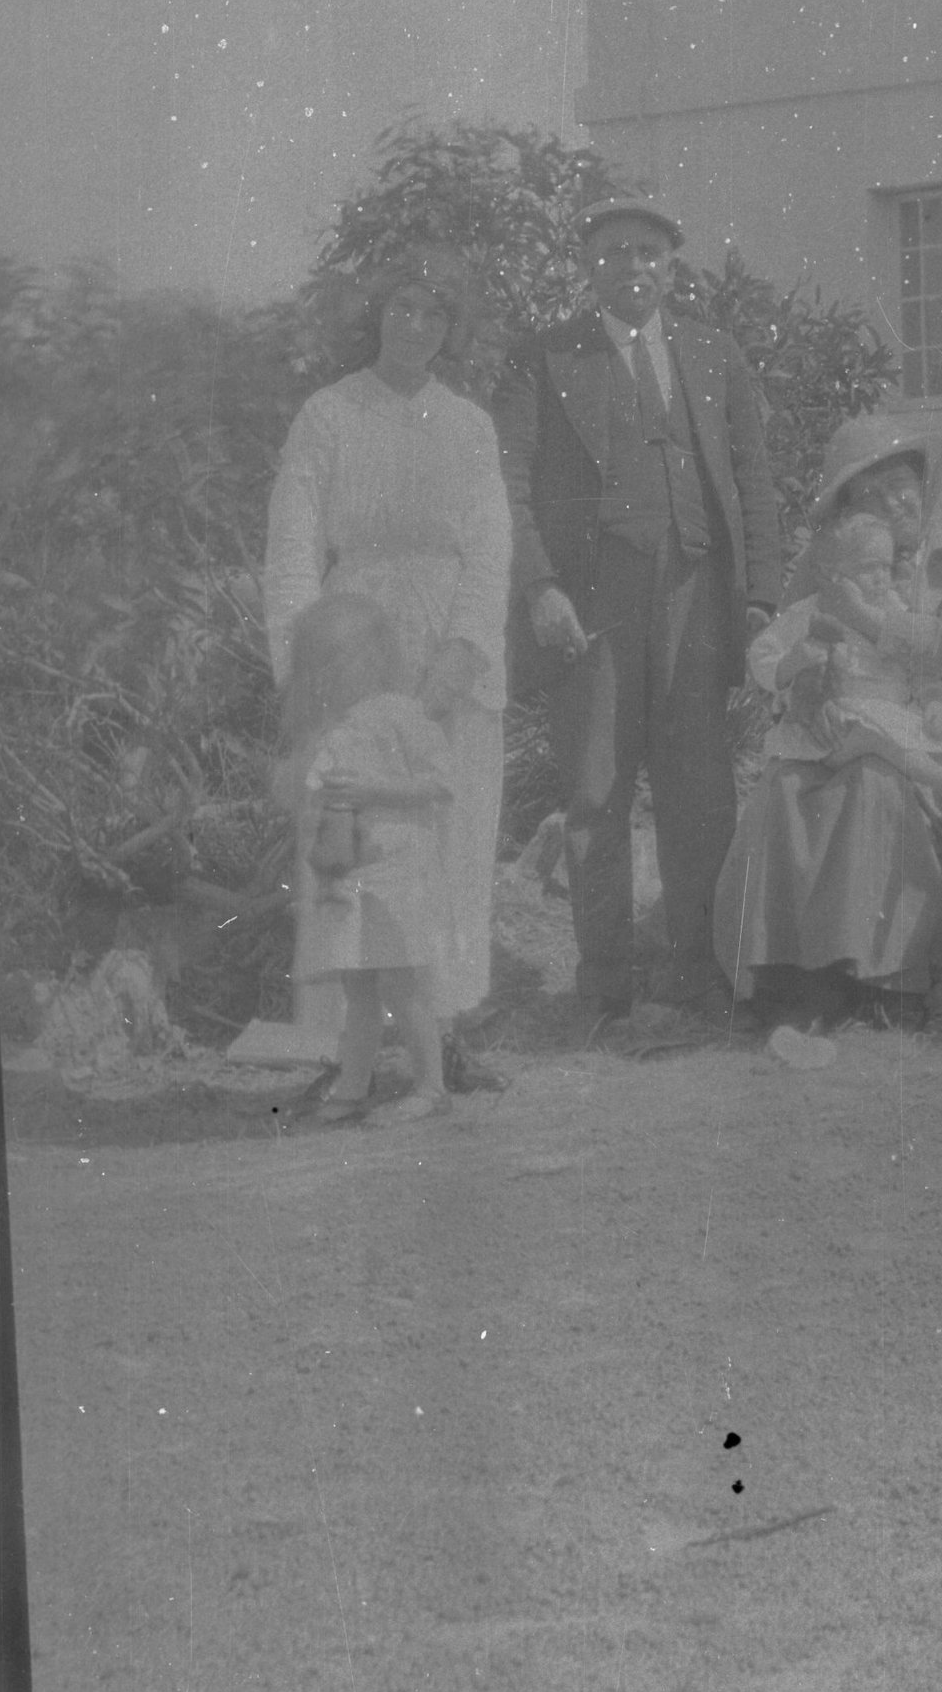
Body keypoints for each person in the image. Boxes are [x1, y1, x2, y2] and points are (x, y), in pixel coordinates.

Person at [493, 199, 784, 1024]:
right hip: (591, 603)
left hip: (694, 592)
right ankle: (607, 985)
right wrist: (539, 585)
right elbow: (506, 485)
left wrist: (760, 597)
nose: (633, 267)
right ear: (589, 267)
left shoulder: (712, 353)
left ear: (671, 264)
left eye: (648, 252)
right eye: (615, 253)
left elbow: (753, 481)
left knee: (699, 787)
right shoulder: (545, 359)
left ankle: (700, 968)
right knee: (596, 789)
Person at [265, 247, 512, 1083]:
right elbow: (293, 549)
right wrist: (311, 668)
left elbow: (490, 554)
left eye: (434, 313)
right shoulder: (327, 417)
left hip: (445, 643)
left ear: (453, 330)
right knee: (353, 839)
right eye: (402, 307)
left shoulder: (471, 426)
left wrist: (461, 657)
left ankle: (446, 1039)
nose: (415, 325)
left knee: (449, 838)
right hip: (354, 644)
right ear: (376, 314)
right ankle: (352, 1051)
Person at [713, 413, 942, 1031]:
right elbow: (788, 643)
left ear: (924, 480)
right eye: (868, 493)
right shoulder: (831, 559)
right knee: (784, 792)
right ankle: (791, 971)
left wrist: (875, 622)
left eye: (901, 481)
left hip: (938, 733)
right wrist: (808, 693)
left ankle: (885, 974)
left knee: (874, 783)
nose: (891, 501)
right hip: (841, 727)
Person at [277, 593, 454, 1125]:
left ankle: (431, 1086)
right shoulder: (327, 725)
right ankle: (353, 1086)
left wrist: (374, 788)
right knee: (358, 989)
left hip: (397, 874)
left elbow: (440, 786)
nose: (326, 678)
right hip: (351, 877)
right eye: (317, 668)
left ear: (373, 658)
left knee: (404, 986)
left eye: (338, 662)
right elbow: (305, 793)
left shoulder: (401, 713)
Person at [750, 510, 942, 807]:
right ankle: (941, 780)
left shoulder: (892, 611)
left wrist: (933, 704)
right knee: (875, 737)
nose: (881, 579)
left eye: (886, 568)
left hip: (893, 712)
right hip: (836, 730)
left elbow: (916, 663)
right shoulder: (810, 612)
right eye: (869, 568)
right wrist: (793, 662)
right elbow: (762, 653)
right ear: (831, 573)